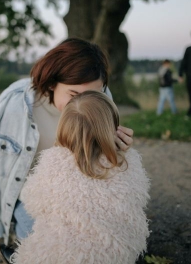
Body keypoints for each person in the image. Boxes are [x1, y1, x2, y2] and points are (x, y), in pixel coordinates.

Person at [0, 38, 135, 263]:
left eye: (94, 95)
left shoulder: (104, 99)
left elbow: (105, 168)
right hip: (35, 197)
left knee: (105, 245)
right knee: (48, 246)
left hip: (83, 195)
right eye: (74, 94)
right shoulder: (14, 106)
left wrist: (117, 149)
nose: (87, 104)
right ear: (51, 84)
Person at [12, 90, 150, 264]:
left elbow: (32, 203)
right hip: (116, 255)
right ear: (113, 127)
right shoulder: (126, 160)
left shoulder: (54, 159)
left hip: (60, 257)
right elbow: (139, 199)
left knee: (23, 213)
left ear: (64, 126)